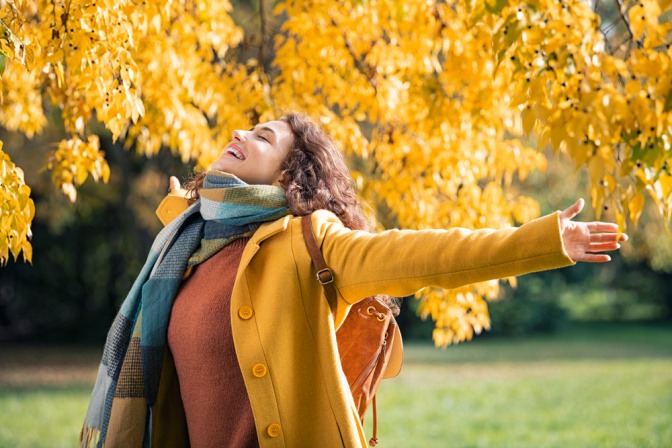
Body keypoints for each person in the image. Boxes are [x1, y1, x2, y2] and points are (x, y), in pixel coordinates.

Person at [80, 113, 627, 448]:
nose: (239, 133)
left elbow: (422, 254)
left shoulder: (310, 240)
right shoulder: (186, 244)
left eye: (262, 136)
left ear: (289, 175)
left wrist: (538, 241)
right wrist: (183, 205)